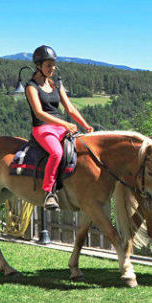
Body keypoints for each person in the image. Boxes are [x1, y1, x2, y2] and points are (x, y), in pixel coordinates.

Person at [25, 45, 93, 209]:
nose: (52, 68)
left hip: (60, 127)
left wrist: (86, 125)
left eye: (53, 65)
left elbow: (70, 108)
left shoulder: (55, 85)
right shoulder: (31, 87)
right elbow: (39, 113)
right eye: (48, 65)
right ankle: (49, 193)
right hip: (42, 128)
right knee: (56, 153)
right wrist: (65, 123)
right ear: (38, 66)